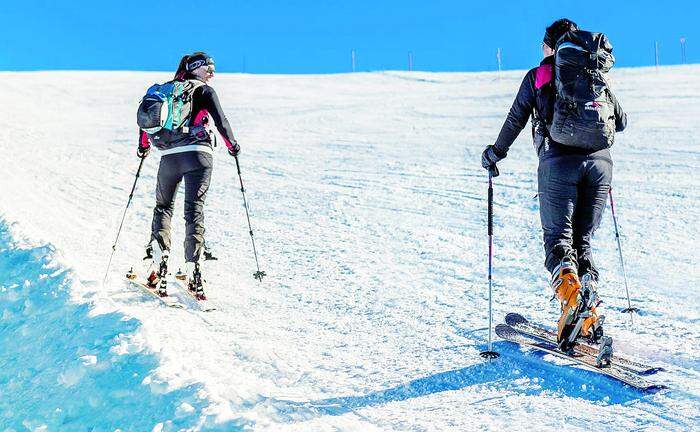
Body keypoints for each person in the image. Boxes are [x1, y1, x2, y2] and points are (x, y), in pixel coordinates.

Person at [481, 19, 627, 350]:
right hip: (601, 166)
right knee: (583, 242)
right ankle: (588, 319)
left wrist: (494, 154)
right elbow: (621, 121)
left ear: (550, 46)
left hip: (558, 163)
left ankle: (572, 305)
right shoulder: (594, 75)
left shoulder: (541, 75)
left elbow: (516, 118)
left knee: (558, 241)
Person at [137, 52, 240, 300]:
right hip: (199, 155)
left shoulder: (166, 90)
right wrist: (232, 145)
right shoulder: (204, 91)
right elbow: (221, 121)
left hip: (170, 156)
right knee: (194, 210)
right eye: (209, 68)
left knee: (163, 208)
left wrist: (143, 147)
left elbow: (147, 123)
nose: (213, 73)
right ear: (196, 69)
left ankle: (158, 265)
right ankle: (194, 269)